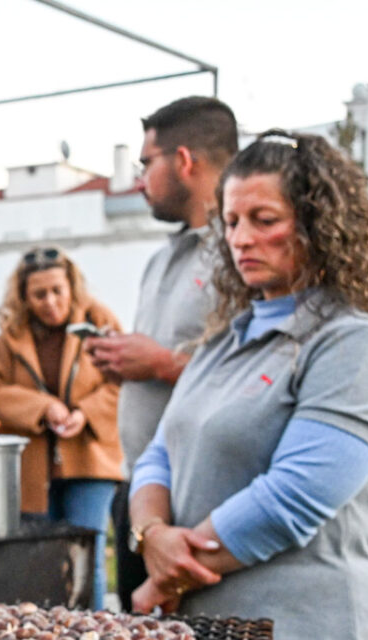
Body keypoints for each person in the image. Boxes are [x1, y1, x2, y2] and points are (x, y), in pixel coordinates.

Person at [126, 129, 368, 640]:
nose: (240, 239)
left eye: (264, 219)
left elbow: (293, 499)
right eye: (231, 221)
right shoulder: (225, 339)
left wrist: (163, 577)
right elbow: (159, 452)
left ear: (318, 223)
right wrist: (150, 534)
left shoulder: (353, 344)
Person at [86, 96, 238, 607]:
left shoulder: (242, 257)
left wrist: (163, 364)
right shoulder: (162, 258)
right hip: (140, 494)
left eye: (147, 163)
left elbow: (259, 377)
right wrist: (122, 364)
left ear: (185, 161)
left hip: (198, 505)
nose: (139, 180)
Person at [0, 247, 125, 610]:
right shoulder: (10, 338)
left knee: (86, 556)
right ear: (24, 297)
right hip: (33, 468)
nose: (50, 301)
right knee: (38, 560)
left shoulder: (99, 321)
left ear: (71, 287)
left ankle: (94, 636)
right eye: (39, 294)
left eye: (57, 290)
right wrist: (44, 408)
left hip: (90, 460)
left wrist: (86, 413)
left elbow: (121, 381)